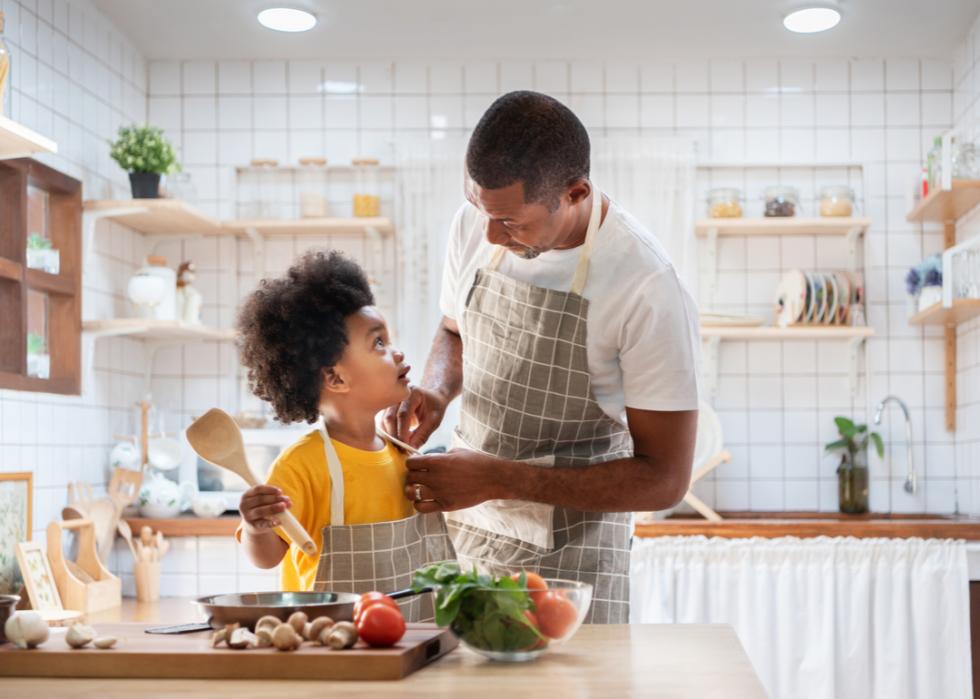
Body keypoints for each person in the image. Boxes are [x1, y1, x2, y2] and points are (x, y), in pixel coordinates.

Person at [385, 91, 700, 623]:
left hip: (572, 569)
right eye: (478, 209)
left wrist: (500, 479)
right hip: (469, 535)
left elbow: (665, 478)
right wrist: (438, 390)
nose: (488, 233)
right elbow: (452, 329)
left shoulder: (644, 286)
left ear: (574, 193)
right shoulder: (477, 223)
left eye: (511, 222)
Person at [235, 250, 451, 619]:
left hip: (413, 637)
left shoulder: (404, 456)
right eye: (379, 343)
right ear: (335, 378)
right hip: (332, 643)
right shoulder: (302, 465)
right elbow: (269, 558)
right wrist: (255, 529)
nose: (397, 353)